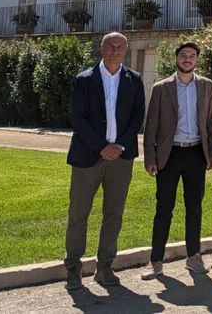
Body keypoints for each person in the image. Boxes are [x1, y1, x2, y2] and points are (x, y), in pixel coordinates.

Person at [63, 32, 145, 291]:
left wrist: (118, 146)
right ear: (101, 48)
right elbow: (77, 118)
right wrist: (101, 147)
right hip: (88, 157)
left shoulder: (134, 80)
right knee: (78, 214)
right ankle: (74, 269)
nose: (115, 50)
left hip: (121, 158)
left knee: (114, 214)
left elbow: (137, 117)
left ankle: (105, 267)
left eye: (120, 46)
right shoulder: (84, 80)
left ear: (126, 50)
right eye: (110, 45)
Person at [142, 41, 212, 279]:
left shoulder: (206, 86)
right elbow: (151, 126)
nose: (188, 59)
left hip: (196, 154)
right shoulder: (161, 88)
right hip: (170, 155)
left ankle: (193, 256)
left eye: (192, 55)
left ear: (197, 60)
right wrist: (150, 156)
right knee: (164, 208)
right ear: (176, 58)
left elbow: (211, 122)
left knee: (194, 207)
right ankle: (155, 260)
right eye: (184, 55)